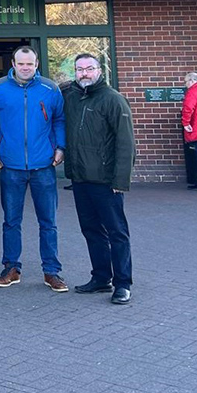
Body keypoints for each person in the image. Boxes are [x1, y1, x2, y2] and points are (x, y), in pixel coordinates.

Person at [0, 46, 68, 292]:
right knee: (11, 221)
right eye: (21, 63)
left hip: (44, 165)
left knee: (48, 222)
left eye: (30, 64)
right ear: (13, 63)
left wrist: (61, 147)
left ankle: (51, 272)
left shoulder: (50, 89)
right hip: (11, 165)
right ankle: (11, 269)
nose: (25, 68)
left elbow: (59, 120)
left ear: (36, 63)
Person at [64, 54, 135, 305]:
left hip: (107, 181)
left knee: (117, 233)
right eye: (80, 69)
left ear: (99, 70)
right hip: (81, 180)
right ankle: (101, 277)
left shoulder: (113, 100)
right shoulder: (72, 98)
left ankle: (123, 283)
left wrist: (120, 181)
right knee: (91, 231)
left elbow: (126, 144)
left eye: (89, 68)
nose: (84, 73)